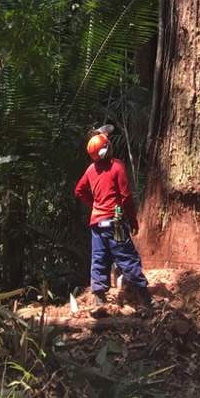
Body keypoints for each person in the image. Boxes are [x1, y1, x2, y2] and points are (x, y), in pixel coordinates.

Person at [74, 127, 152, 310]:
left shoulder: (91, 170)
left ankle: (100, 301)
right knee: (126, 257)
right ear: (107, 149)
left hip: (97, 223)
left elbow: (79, 190)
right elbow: (126, 197)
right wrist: (132, 220)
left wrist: (95, 204)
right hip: (115, 218)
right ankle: (145, 300)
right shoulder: (117, 166)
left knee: (99, 258)